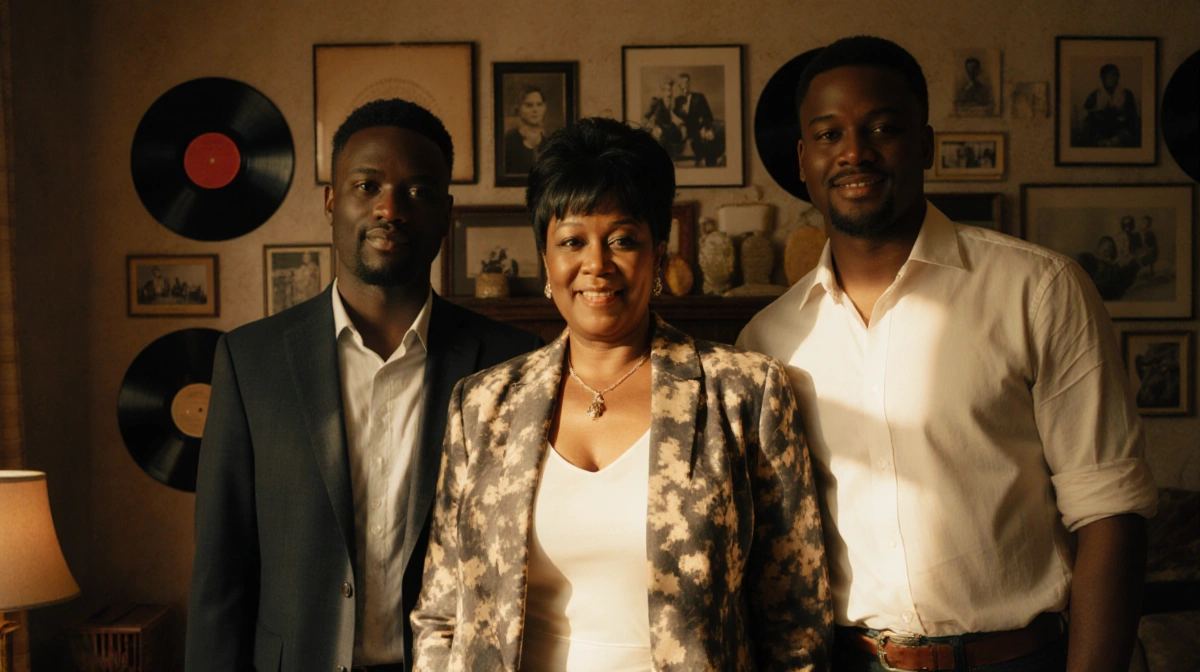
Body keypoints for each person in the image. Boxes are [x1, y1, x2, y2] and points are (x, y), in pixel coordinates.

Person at [737, 36, 1156, 672]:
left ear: (926, 144)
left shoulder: (1037, 290)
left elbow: (1111, 512)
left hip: (1019, 658)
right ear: (803, 159)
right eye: (829, 134)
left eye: (883, 127)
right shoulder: (767, 341)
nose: (855, 151)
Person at [411, 117, 832, 671]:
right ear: (546, 259)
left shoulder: (744, 393)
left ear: (658, 254)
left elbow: (797, 622)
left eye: (622, 240)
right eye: (572, 241)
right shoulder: (484, 404)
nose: (597, 264)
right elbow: (441, 616)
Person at [185, 98, 541, 672]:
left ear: (447, 213)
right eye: (367, 185)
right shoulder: (250, 361)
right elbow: (219, 574)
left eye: (418, 192)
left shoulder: (510, 364)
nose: (391, 208)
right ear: (332, 202)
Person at [1080, 63, 1139, 147]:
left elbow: (1132, 115)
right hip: (1101, 130)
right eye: (1107, 77)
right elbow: (1085, 112)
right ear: (1102, 79)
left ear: (1118, 78)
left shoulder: (1127, 94)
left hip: (1120, 129)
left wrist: (1118, 111)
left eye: (1113, 76)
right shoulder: (1096, 94)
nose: (1110, 80)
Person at [672, 73, 724, 166]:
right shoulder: (677, 100)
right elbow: (674, 118)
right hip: (683, 132)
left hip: (697, 129)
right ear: (679, 87)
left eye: (685, 84)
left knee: (709, 141)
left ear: (689, 83)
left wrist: (705, 127)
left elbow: (708, 116)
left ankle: (710, 167)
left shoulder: (699, 97)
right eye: (681, 86)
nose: (684, 89)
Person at [504, 84, 549, 175]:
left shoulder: (550, 141)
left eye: (539, 105)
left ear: (544, 107)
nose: (535, 110)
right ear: (519, 108)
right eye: (529, 105)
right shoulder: (508, 141)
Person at [642, 77, 684, 159]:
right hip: (659, 130)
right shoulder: (656, 102)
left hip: (671, 129)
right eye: (667, 90)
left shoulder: (674, 103)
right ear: (663, 91)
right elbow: (645, 117)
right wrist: (654, 127)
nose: (669, 93)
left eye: (671, 90)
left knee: (679, 136)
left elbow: (676, 118)